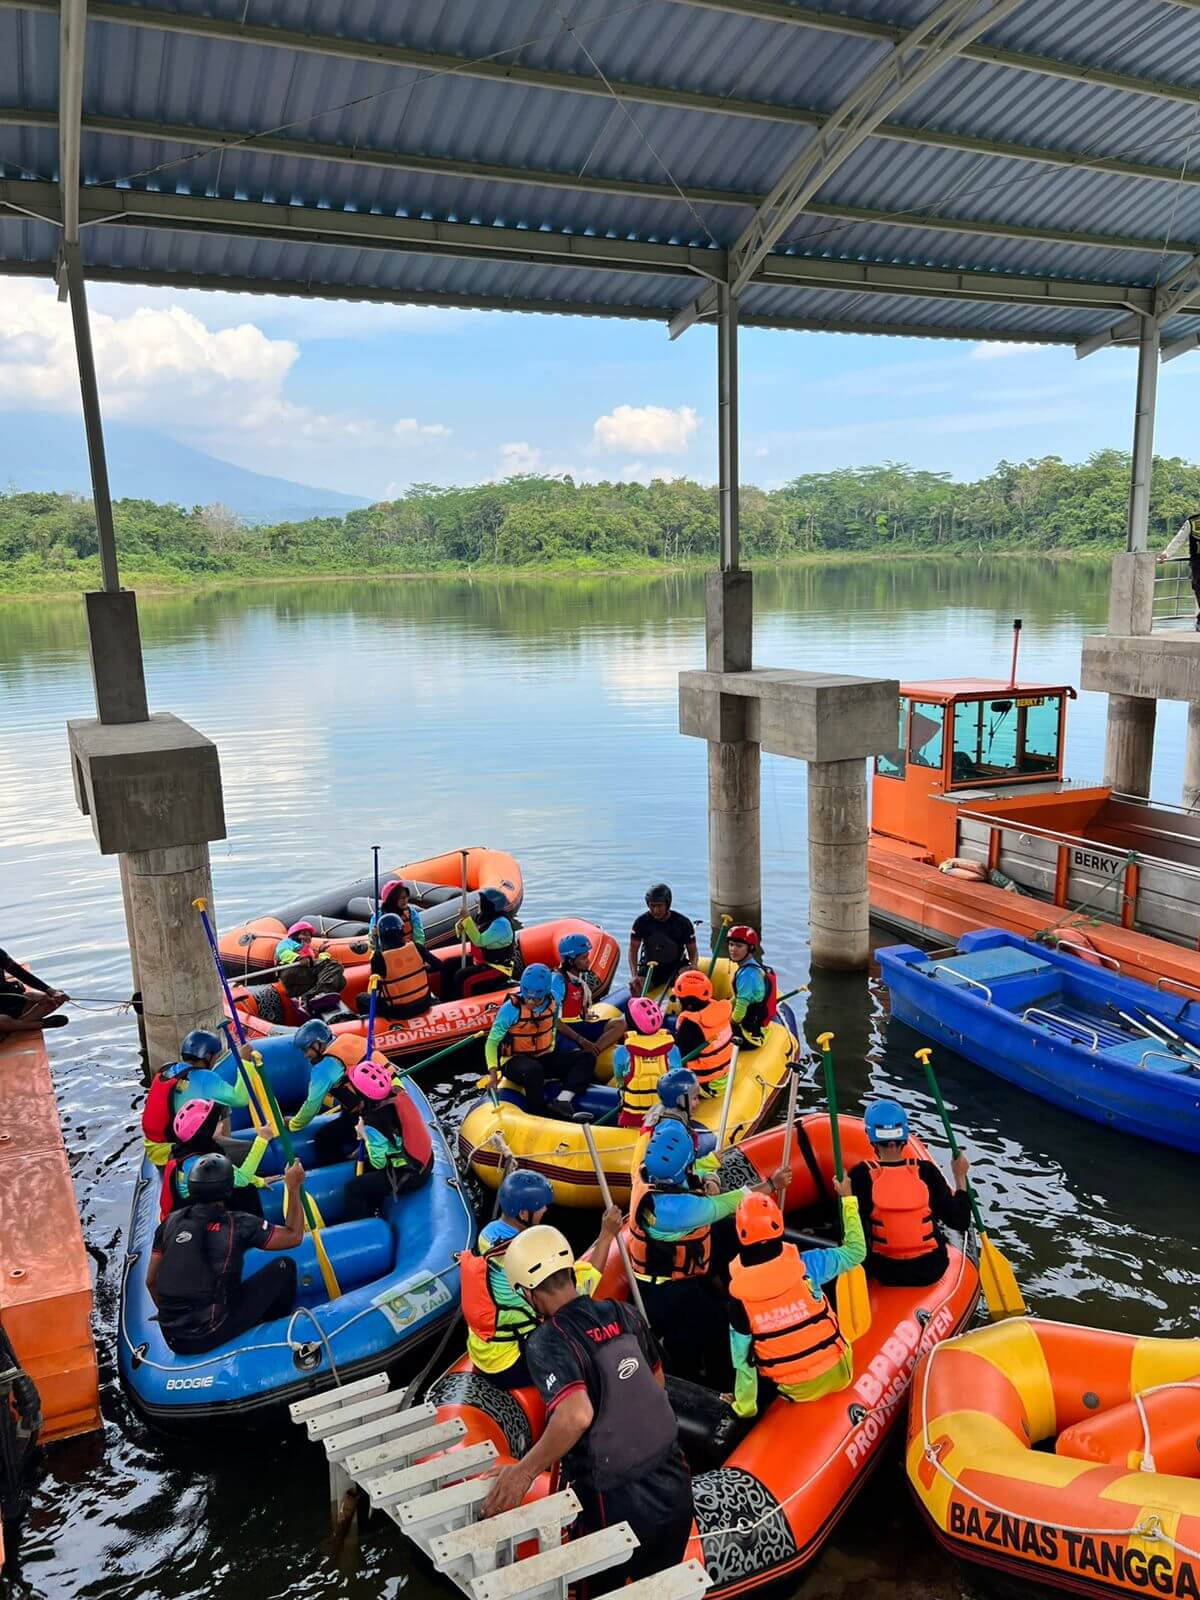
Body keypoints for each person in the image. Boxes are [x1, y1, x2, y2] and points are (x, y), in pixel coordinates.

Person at [482, 1225, 694, 1594]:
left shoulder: (547, 1341)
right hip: (674, 1482)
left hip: (614, 1500)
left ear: (526, 1293)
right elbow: (656, 1382)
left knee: (599, 1589)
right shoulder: (622, 1312)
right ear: (569, 1274)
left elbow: (575, 1415)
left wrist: (523, 1472)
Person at [628, 1118, 786, 1387]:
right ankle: (717, 1385)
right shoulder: (682, 1210)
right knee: (715, 1327)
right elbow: (729, 1202)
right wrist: (772, 1184)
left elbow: (695, 1168)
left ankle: (720, 1292)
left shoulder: (644, 1173)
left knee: (721, 1238)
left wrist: (712, 1162)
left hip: (658, 1274)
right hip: (668, 1292)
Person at [461, 1170, 622, 1389]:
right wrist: (606, 1236)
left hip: (483, 1350)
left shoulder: (488, 1234)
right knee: (589, 1350)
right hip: (510, 1362)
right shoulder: (525, 1255)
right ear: (524, 1214)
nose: (545, 1209)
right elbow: (581, 1290)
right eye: (540, 1207)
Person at [726, 1182, 865, 1419]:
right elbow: (856, 1252)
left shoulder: (738, 1300)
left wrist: (744, 1408)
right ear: (779, 1225)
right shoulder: (807, 1265)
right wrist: (848, 1200)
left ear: (740, 1234)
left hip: (796, 1391)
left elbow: (743, 1363)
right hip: (842, 1373)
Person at [146, 1153, 306, 1354]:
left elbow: (150, 1281)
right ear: (229, 1189)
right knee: (284, 1266)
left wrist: (173, 1317)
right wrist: (293, 1187)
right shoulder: (239, 1224)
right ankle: (275, 1330)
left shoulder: (170, 1222)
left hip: (171, 1336)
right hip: (209, 1332)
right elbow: (294, 1236)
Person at [847, 1099, 971, 1287]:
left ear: (870, 1136)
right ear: (905, 1135)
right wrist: (959, 1177)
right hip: (932, 1269)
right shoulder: (926, 1172)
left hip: (885, 1272)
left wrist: (844, 1196)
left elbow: (851, 1232)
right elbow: (960, 1221)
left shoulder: (860, 1176)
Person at [485, 964, 594, 1118]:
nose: (530, 1002)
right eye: (527, 997)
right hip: (514, 1062)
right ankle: (538, 1114)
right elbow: (491, 1042)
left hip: (542, 1056)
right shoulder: (510, 1009)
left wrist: (575, 1041)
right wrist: (493, 1074)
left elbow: (555, 1025)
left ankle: (562, 1100)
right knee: (533, 1070)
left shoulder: (553, 1001)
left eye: (536, 999)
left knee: (586, 1057)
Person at [289, 1018, 395, 1166]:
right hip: (394, 1094)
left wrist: (294, 1124)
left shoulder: (324, 1068)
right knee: (346, 1110)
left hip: (374, 1112)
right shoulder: (347, 1038)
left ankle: (337, 1170)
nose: (305, 1055)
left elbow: (311, 1105)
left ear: (318, 1044)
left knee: (324, 1138)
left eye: (306, 1049)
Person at [141, 1028, 251, 1167]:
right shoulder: (206, 1078)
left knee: (219, 1104)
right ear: (207, 1057)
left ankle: (219, 1138)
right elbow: (241, 1099)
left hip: (153, 1146)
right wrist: (244, 1063)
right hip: (174, 1151)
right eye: (215, 1057)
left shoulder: (167, 1069)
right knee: (246, 1150)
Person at [342, 1056, 434, 1221]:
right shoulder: (396, 1093)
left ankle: (363, 1227)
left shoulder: (372, 1124)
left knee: (352, 1189)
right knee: (361, 1166)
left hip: (410, 1175)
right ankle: (373, 1206)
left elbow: (380, 1163)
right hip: (425, 1160)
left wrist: (364, 1135)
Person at [159, 1099, 273, 1220]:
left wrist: (259, 1181)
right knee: (246, 1193)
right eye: (217, 1122)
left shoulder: (185, 1148)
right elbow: (242, 1179)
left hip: (199, 1199)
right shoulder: (200, 1164)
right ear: (205, 1130)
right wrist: (262, 1140)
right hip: (191, 1216)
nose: (222, 1124)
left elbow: (236, 1175)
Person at [438, 888, 521, 1001]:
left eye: (481, 902)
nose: (478, 903)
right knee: (448, 965)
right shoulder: (484, 918)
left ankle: (462, 1004)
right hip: (480, 961)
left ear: (489, 906)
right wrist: (461, 925)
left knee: (462, 976)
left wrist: (467, 919)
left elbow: (479, 941)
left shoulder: (502, 924)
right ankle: (444, 1001)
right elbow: (462, 933)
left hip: (497, 968)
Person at [612, 997, 681, 1128]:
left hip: (635, 1118)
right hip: (664, 1116)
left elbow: (620, 1080)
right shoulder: (672, 1049)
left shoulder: (621, 1052)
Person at [554, 933, 625, 1057]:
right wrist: (581, 1040)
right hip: (565, 1029)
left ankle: (593, 1052)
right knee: (573, 1052)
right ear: (570, 961)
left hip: (580, 1024)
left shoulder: (578, 977)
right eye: (583, 958)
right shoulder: (557, 981)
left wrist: (586, 1015)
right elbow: (553, 1019)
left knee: (621, 1024)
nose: (588, 961)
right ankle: (587, 1054)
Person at [672, 970, 734, 1098]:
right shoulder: (717, 1008)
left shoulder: (690, 1025)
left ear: (688, 1005)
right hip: (724, 1075)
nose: (676, 1001)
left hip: (705, 1083)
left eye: (677, 998)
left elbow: (677, 1058)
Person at [628, 885, 697, 998]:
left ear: (667, 904)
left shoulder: (682, 923)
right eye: (652, 906)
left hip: (676, 967)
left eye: (660, 906)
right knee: (634, 986)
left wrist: (693, 966)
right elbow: (632, 950)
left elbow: (693, 951)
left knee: (689, 981)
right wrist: (634, 975)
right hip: (651, 968)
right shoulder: (641, 922)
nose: (656, 910)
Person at [365, 911, 432, 1020]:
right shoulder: (416, 947)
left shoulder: (378, 957)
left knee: (361, 999)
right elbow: (438, 965)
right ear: (401, 931)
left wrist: (375, 941)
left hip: (398, 1012)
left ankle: (377, 1026)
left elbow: (375, 989)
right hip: (425, 1003)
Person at [726, 926, 777, 1049]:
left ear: (750, 948)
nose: (733, 949)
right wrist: (724, 1006)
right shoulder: (752, 967)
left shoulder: (748, 975)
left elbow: (739, 1013)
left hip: (749, 1034)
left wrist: (726, 1024)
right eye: (731, 944)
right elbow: (739, 998)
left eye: (739, 946)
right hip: (754, 1023)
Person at [0, 948, 68, 1033]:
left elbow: (19, 972)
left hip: (8, 998)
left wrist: (51, 991)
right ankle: (39, 1024)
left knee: (50, 1000)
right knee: (2, 1020)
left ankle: (15, 1025)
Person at [1158, 509, 1200, 632]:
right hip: (1197, 563)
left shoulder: (1192, 521)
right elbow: (1179, 539)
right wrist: (1166, 554)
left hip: (1197, 563)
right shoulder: (1192, 521)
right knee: (1198, 587)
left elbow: (1179, 540)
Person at [377, 879, 425, 944]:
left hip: (409, 948)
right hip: (388, 952)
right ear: (391, 900)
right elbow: (373, 944)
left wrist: (418, 946)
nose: (405, 900)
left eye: (406, 897)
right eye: (401, 898)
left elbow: (419, 936)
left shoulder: (411, 913)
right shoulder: (378, 917)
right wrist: (374, 937)